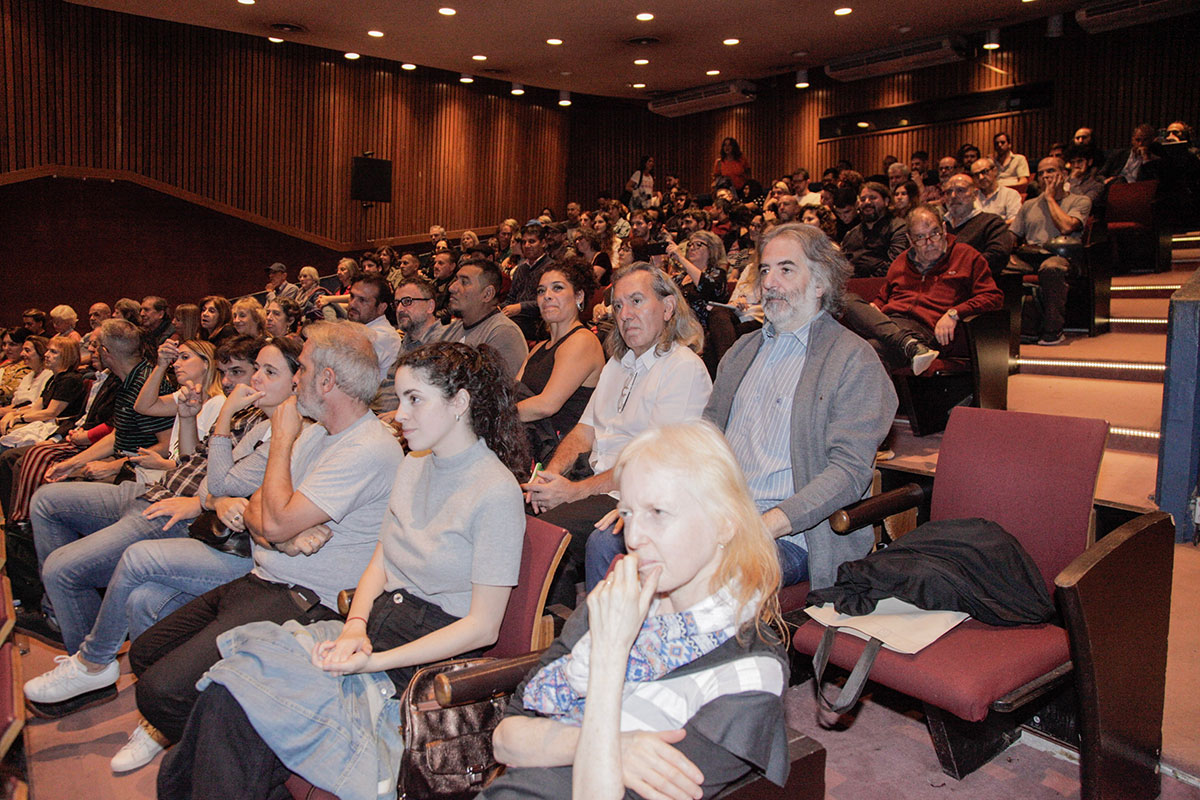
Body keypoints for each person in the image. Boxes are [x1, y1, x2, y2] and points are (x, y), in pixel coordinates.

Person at [155, 342, 528, 798]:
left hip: (424, 662)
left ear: (460, 403)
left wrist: (375, 659)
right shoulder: (414, 463)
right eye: (400, 397)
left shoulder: (495, 492)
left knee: (247, 712)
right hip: (374, 627)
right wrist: (354, 627)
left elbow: (482, 628)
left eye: (415, 399)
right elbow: (382, 558)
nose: (397, 414)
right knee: (228, 694)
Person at [122, 322, 404, 766]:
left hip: (309, 602)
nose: (296, 379)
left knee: (160, 693)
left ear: (327, 380)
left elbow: (268, 520)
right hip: (264, 577)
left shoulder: (366, 446)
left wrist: (283, 447)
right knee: (146, 653)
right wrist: (283, 535)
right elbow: (255, 510)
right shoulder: (317, 432)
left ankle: (239, 762)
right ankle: (230, 741)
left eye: (304, 368)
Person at [487, 422, 792, 800]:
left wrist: (610, 658)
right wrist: (620, 746)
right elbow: (506, 738)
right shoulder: (620, 603)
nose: (631, 538)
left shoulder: (748, 675)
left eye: (658, 512)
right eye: (628, 513)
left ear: (725, 523)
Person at [587, 223, 897, 591]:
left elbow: (849, 473)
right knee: (605, 542)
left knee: (704, 572)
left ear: (820, 283)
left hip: (792, 535)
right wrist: (651, 500)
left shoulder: (852, 359)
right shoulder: (742, 351)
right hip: (720, 517)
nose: (769, 282)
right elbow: (702, 445)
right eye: (765, 270)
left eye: (786, 269)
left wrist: (767, 524)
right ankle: (618, 647)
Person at [526, 262, 711, 604]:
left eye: (637, 301)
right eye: (618, 305)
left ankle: (574, 633)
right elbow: (584, 432)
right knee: (520, 511)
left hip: (635, 496)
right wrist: (550, 479)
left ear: (668, 307)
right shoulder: (617, 363)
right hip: (594, 482)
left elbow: (653, 466)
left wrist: (574, 492)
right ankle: (548, 626)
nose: (625, 314)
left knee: (541, 532)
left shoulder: (682, 368)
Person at [842, 205, 1004, 369]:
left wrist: (955, 313)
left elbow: (993, 297)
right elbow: (883, 297)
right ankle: (909, 345)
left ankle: (911, 345)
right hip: (890, 323)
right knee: (846, 299)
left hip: (926, 330)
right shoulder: (901, 261)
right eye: (920, 237)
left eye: (934, 234)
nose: (929, 243)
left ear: (944, 229)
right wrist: (875, 308)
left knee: (868, 351)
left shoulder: (966, 256)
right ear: (910, 240)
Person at [516, 258, 604, 463]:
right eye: (541, 291)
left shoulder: (582, 341)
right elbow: (514, 392)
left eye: (557, 288)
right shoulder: (538, 348)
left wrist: (491, 417)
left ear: (579, 296)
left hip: (564, 455)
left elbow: (547, 405)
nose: (547, 296)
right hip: (532, 444)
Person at [1009, 157, 1092, 346]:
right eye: (1041, 173)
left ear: (1064, 175)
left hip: (1062, 256)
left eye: (1051, 171)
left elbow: (1066, 227)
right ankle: (1015, 330)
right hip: (1030, 255)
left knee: (1051, 268)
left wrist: (1049, 198)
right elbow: (1012, 235)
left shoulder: (1080, 200)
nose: (1045, 176)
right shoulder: (1029, 205)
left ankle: (1053, 331)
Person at [130, 339, 225, 483]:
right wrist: (160, 366)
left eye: (185, 357)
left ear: (206, 363)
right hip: (174, 473)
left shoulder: (218, 403)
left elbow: (206, 462)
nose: (175, 364)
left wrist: (163, 464)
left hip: (188, 480)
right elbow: (143, 406)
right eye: (175, 359)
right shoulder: (185, 396)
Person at [439, 258, 529, 382]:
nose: (452, 288)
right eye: (456, 280)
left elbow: (500, 395)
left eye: (464, 282)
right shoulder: (452, 329)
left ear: (487, 294)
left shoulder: (503, 333)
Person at [0, 336, 85, 449]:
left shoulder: (70, 379)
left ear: (67, 356)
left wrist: (18, 418)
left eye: (53, 352)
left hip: (57, 430)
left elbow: (51, 412)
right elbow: (36, 408)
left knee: (5, 450)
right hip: (43, 424)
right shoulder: (54, 378)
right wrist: (12, 414)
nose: (46, 354)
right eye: (48, 350)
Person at [942, 174, 1014, 276]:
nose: (953, 196)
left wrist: (956, 268)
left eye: (960, 190)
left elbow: (998, 256)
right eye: (948, 192)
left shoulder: (992, 222)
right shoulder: (939, 226)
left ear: (975, 194)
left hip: (974, 283)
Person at [664, 229, 730, 330]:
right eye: (690, 244)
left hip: (702, 329)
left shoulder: (716, 273)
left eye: (698, 244)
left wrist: (681, 258)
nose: (692, 248)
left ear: (711, 250)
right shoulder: (681, 277)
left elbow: (708, 288)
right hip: (676, 326)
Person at [841, 182, 909, 278]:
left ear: (886, 201)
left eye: (873, 198)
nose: (867, 202)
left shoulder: (899, 228)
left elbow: (896, 264)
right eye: (863, 199)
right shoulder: (851, 235)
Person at [346, 274, 402, 382]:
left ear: (381, 307)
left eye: (362, 300)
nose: (352, 304)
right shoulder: (361, 329)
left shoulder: (381, 337)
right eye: (352, 296)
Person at [0, 335, 50, 417]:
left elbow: (36, 406)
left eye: (27, 351)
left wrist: (10, 412)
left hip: (32, 417)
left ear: (41, 353)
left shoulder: (48, 375)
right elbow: (16, 404)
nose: (22, 354)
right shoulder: (29, 376)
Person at [394, 277, 442, 353]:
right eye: (397, 303)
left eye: (407, 301)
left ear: (430, 306)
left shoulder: (445, 344)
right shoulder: (406, 342)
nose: (399, 309)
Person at [971, 157, 1023, 224]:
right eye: (976, 175)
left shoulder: (1010, 194)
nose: (981, 177)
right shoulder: (971, 197)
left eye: (984, 172)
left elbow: (1015, 221)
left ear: (995, 171)